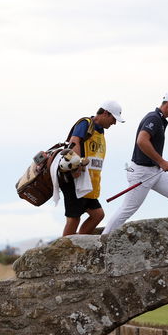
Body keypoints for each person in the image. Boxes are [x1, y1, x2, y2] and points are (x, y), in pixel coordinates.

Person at [102, 91, 168, 234]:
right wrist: (161, 161)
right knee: (127, 209)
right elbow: (142, 141)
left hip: (154, 171)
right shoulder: (154, 118)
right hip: (142, 173)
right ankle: (103, 241)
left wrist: (159, 164)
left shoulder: (160, 120)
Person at [60, 101, 125, 236]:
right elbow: (74, 142)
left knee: (97, 215)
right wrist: (76, 166)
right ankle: (64, 251)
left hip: (88, 182)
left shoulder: (100, 131)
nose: (114, 123)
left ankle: (78, 244)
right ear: (105, 113)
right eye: (113, 119)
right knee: (73, 219)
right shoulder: (85, 123)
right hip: (76, 179)